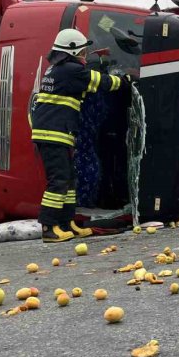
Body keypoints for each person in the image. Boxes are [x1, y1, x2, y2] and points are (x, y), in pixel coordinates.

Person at [31, 28, 129, 242]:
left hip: (55, 133)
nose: (85, 55)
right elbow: (101, 82)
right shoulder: (70, 71)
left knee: (69, 181)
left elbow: (83, 86)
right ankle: (49, 227)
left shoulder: (58, 70)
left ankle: (67, 223)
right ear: (72, 51)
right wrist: (124, 81)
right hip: (52, 134)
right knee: (58, 181)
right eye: (83, 52)